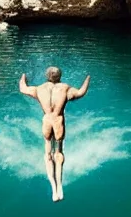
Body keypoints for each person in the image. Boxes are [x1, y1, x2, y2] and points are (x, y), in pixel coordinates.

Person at [18, 67, 90, 202]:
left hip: (47, 121)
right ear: (60, 76)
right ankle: (60, 187)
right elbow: (81, 92)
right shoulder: (65, 88)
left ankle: (53, 190)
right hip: (58, 121)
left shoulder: (38, 89)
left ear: (46, 76)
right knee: (58, 153)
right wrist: (87, 80)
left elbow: (22, 88)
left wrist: (23, 77)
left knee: (48, 155)